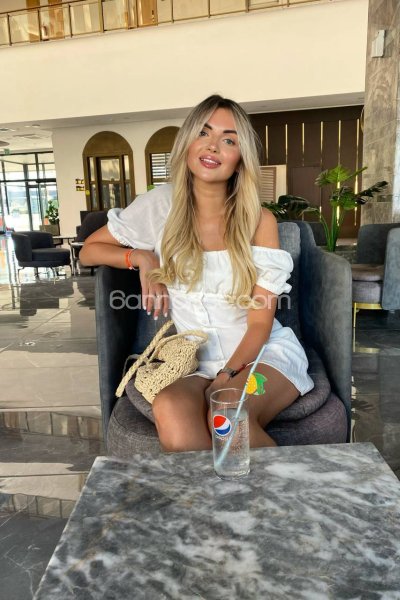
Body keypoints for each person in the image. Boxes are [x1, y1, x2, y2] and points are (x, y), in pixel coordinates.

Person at [80, 94, 314, 452]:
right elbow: (89, 249)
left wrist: (227, 376)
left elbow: (259, 324)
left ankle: (289, 490)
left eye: (229, 140)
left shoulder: (258, 220)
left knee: (228, 410)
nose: (213, 146)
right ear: (187, 142)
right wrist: (141, 257)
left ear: (240, 159)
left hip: (261, 357)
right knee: (169, 405)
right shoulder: (159, 206)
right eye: (203, 133)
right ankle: (204, 491)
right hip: (195, 361)